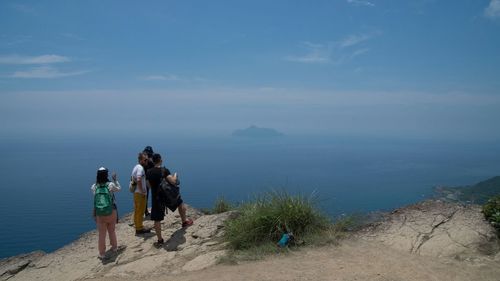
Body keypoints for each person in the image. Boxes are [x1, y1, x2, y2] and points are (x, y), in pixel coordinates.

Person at [147, 153, 193, 246]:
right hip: (168, 195)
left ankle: (160, 240)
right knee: (180, 202)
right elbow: (173, 181)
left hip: (156, 197)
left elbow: (148, 185)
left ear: (152, 161)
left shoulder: (149, 172)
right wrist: (175, 175)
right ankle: (184, 222)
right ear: (160, 160)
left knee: (157, 219)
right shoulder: (164, 170)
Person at [91, 167, 121, 260]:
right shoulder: (110, 185)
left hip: (100, 214)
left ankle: (102, 253)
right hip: (111, 211)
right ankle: (114, 248)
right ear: (106, 175)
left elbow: (95, 198)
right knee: (112, 231)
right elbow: (119, 189)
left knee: (102, 234)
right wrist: (115, 180)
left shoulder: (94, 186)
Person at [131, 152, 151, 235]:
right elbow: (139, 179)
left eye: (147, 159)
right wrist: (142, 190)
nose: (147, 161)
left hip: (136, 193)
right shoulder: (140, 168)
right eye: (145, 160)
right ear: (140, 160)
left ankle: (138, 227)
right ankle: (139, 229)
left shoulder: (136, 167)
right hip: (140, 194)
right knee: (140, 211)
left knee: (137, 211)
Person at [142, 146, 155, 217]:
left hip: (144, 181)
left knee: (145, 196)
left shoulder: (143, 162)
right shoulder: (150, 162)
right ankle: (148, 211)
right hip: (150, 180)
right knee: (154, 195)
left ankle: (145, 211)